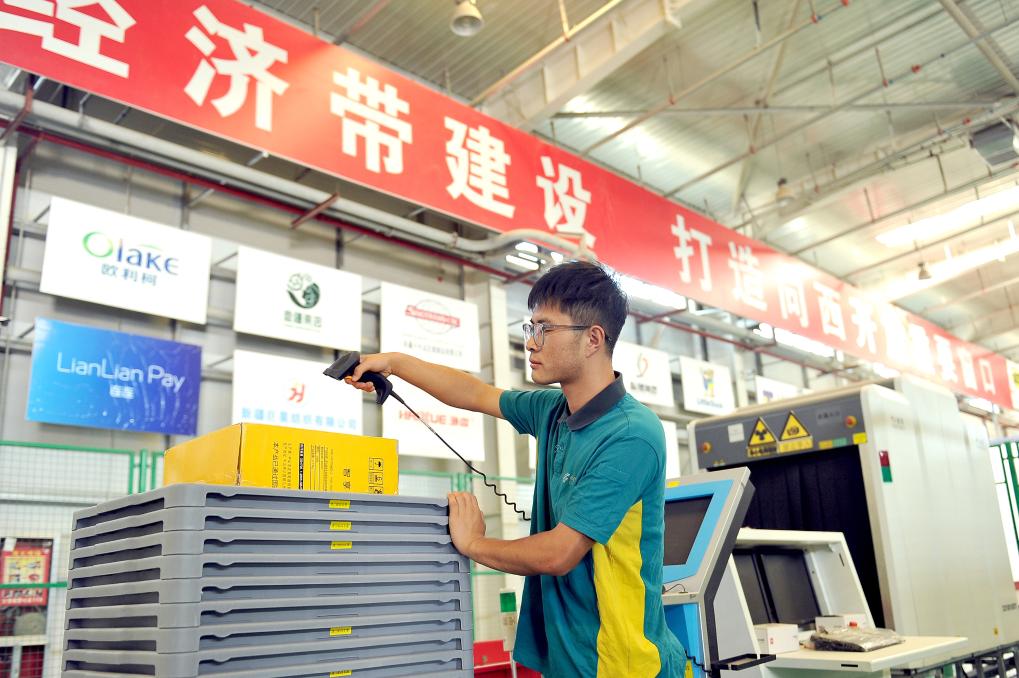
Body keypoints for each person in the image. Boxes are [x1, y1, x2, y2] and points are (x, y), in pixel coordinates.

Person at [346, 261, 686, 677]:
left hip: (620, 664)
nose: (530, 343)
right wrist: (394, 363)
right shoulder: (553, 410)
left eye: (545, 329)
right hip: (568, 657)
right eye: (530, 328)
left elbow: (559, 553)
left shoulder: (631, 435)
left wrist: (474, 544)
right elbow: (475, 393)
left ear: (593, 339)